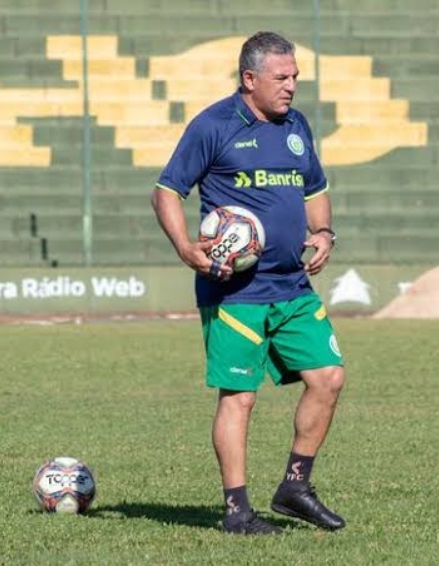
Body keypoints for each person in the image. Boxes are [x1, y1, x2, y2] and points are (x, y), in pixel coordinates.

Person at [150, 31, 346, 536]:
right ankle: (237, 510)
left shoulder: (296, 126)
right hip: (235, 293)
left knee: (328, 378)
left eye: (296, 77)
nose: (292, 87)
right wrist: (185, 249)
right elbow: (167, 192)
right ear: (249, 79)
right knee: (239, 397)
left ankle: (295, 487)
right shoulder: (213, 126)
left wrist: (322, 231)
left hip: (293, 285)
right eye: (281, 78)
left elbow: (315, 188)